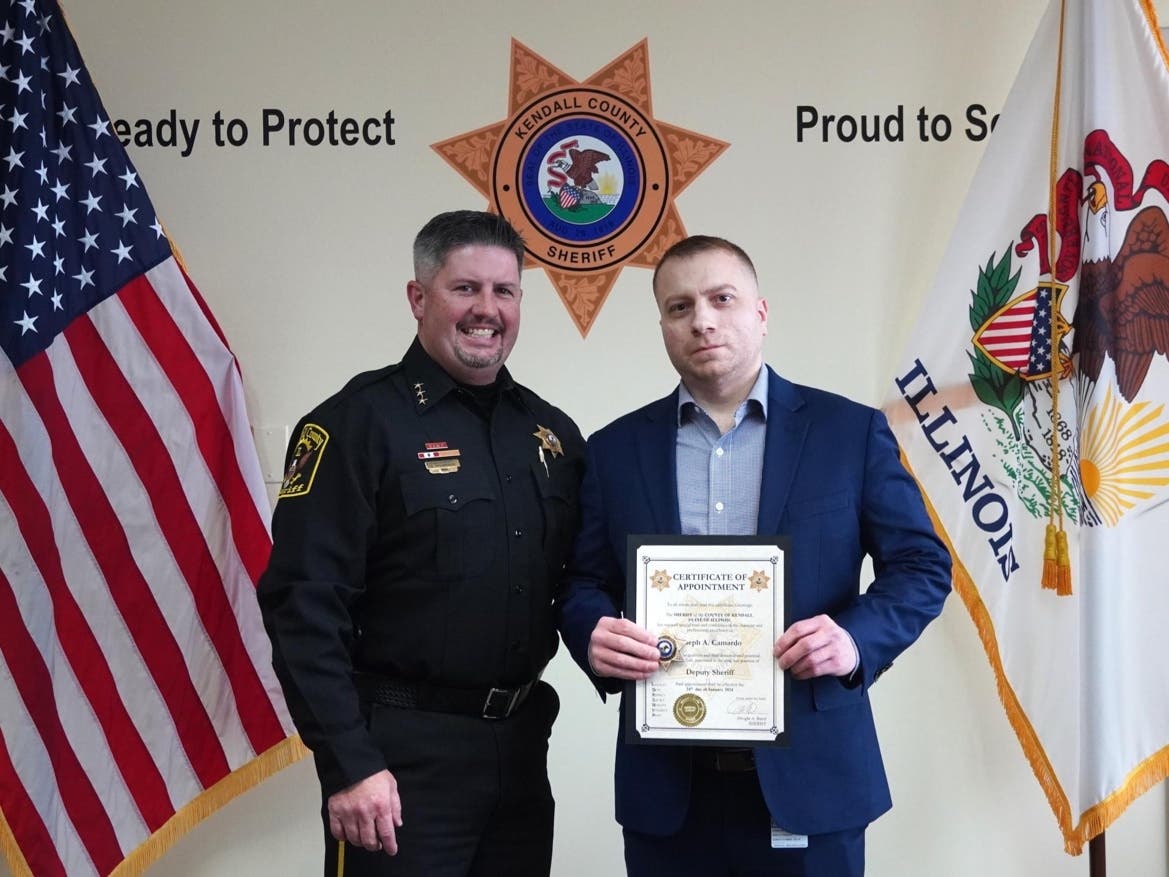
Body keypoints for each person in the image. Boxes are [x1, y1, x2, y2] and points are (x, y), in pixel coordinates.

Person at [555, 235, 952, 876]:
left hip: (812, 782)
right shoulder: (613, 450)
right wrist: (592, 632)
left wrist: (854, 640)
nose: (702, 320)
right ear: (663, 326)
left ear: (761, 313)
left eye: (722, 299)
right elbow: (581, 582)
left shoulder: (849, 433)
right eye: (679, 307)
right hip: (670, 789)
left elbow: (922, 565)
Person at [258, 210, 584, 877]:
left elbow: (583, 580)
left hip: (520, 754)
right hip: (397, 764)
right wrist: (350, 764)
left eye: (504, 291)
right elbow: (303, 607)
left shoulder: (550, 435)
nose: (487, 309)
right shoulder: (355, 424)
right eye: (465, 288)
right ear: (418, 297)